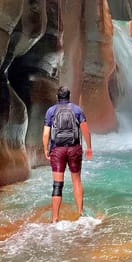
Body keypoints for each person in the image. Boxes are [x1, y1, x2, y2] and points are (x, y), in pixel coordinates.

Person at [43, 86, 93, 222]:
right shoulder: (77, 110)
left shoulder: (51, 111)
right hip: (74, 148)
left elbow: (46, 133)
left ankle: (55, 219)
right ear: (69, 96)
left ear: (57, 97)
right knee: (76, 180)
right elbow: (85, 130)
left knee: (57, 185)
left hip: (57, 150)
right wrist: (89, 147)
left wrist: (46, 149)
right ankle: (80, 213)